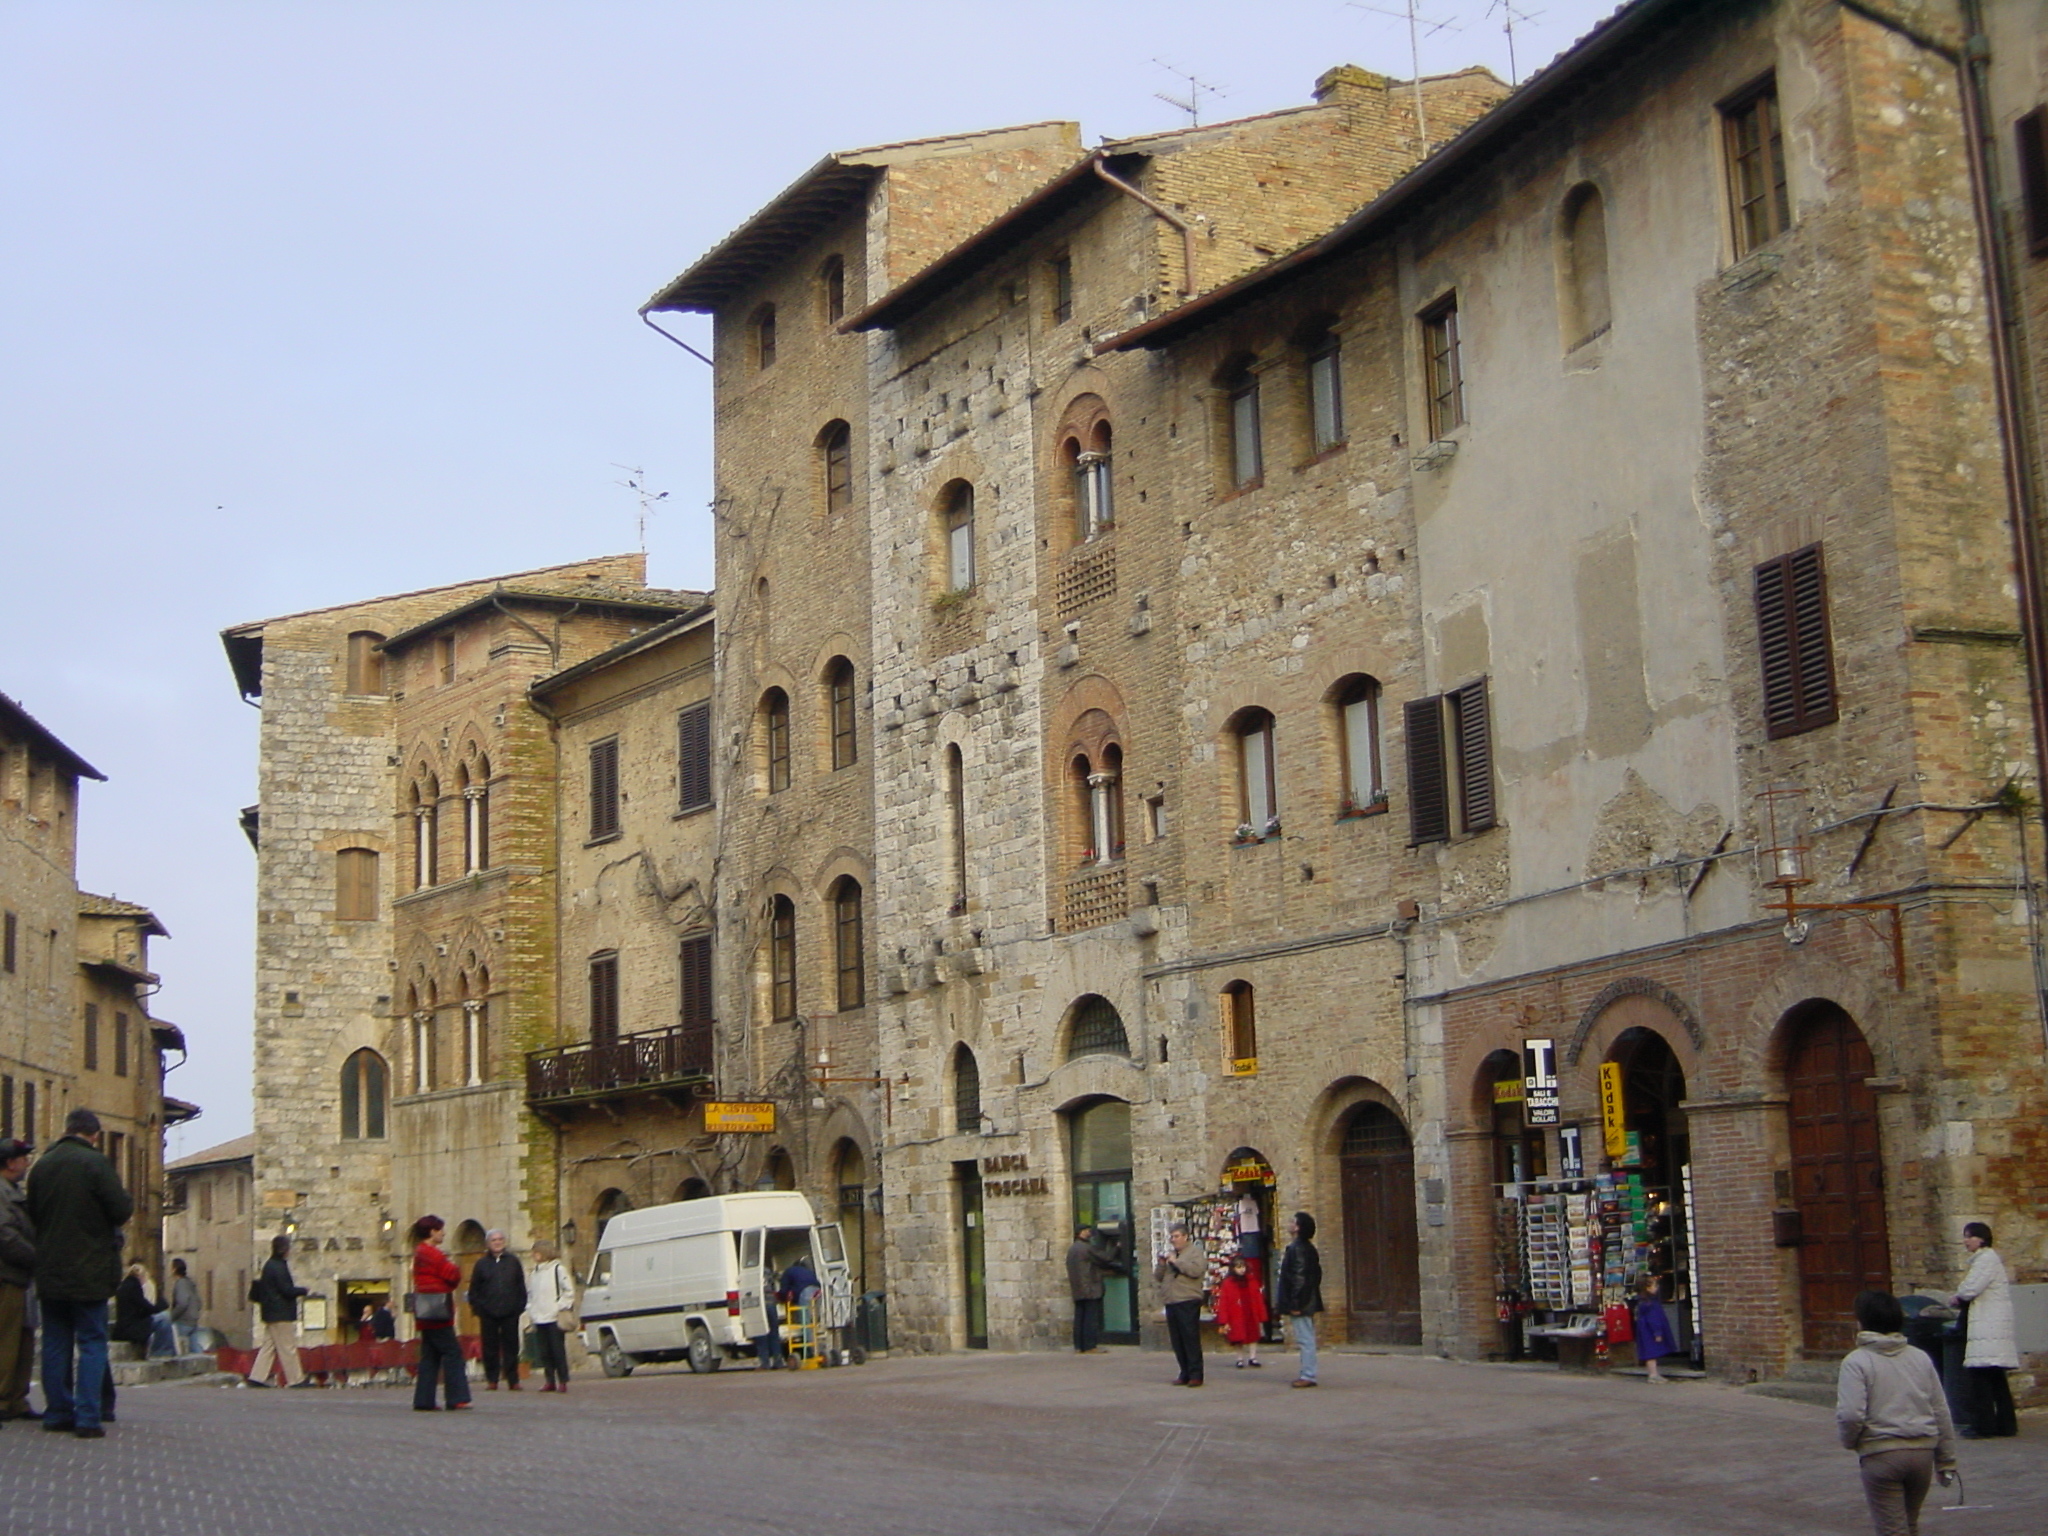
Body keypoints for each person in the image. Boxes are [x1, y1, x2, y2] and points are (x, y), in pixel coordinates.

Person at [25, 1108, 133, 1437]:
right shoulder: (95, 1164)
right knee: (91, 1342)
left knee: (55, 1342)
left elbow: (33, 1214)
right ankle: (87, 1416)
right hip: (90, 1269)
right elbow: (121, 1208)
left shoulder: (41, 1166)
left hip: (50, 1268)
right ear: (94, 1135)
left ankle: (57, 1411)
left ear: (67, 1129)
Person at [1837, 1289, 1958, 1536]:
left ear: (1862, 1321)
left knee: (1891, 1528)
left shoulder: (1856, 1361)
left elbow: (1850, 1414)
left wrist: (1851, 1441)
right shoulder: (1920, 1358)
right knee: (1910, 1524)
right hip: (1921, 1453)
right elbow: (1940, 1409)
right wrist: (1946, 1458)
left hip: (1882, 1454)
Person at [1948, 1222, 2018, 1438]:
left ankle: (1984, 1425)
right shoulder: (1988, 1259)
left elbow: (1971, 1288)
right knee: (1995, 1378)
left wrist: (1957, 1296)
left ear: (1981, 1238)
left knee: (1980, 1379)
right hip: (1991, 1326)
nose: (1965, 1241)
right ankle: (2006, 1425)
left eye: (1969, 1236)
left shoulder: (1985, 1259)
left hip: (1988, 1327)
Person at [410, 1216, 470, 1410]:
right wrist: (452, 1273)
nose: (443, 1233)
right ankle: (456, 1397)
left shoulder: (419, 1253)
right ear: (432, 1232)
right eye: (440, 1230)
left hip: (425, 1311)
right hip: (438, 1310)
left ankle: (424, 1400)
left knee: (430, 1355)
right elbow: (452, 1274)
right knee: (452, 1352)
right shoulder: (432, 1254)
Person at [0, 1137, 38, 1422]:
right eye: (23, 1158)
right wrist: (38, 1258)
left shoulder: (13, 1192)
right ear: (11, 1163)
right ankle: (4, 1400)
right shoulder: (2, 1194)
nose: (27, 1163)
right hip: (8, 1277)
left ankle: (16, 1399)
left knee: (23, 1340)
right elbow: (6, 1236)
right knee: (7, 1340)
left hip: (20, 1277)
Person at [249, 1234, 314, 1387]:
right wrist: (302, 1291)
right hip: (280, 1312)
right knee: (288, 1347)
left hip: (270, 1312)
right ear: (284, 1249)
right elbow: (285, 1289)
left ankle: (257, 1377)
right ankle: (296, 1379)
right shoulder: (278, 1266)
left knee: (269, 1347)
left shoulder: (269, 1265)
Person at [468, 1228, 527, 1391]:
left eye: (500, 1239)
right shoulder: (481, 1264)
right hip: (488, 1313)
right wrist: (479, 1309)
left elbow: (520, 1286)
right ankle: (492, 1379)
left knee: (511, 1346)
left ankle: (512, 1379)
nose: (498, 1242)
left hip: (510, 1312)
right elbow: (474, 1290)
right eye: (494, 1240)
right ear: (488, 1244)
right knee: (490, 1347)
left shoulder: (513, 1261)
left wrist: (519, 1307)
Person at [1153, 1223, 1207, 1388]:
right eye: (1172, 1237)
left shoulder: (1194, 1253)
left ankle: (1196, 1374)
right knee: (1177, 1340)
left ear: (1185, 1237)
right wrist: (1162, 1263)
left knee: (1190, 1338)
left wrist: (1177, 1262)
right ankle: (1184, 1372)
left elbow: (1196, 1271)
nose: (1173, 1240)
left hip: (1187, 1300)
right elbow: (1158, 1277)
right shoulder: (1173, 1254)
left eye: (1176, 1236)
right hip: (1172, 1300)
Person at [1276, 1211, 1323, 1389]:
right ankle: (1308, 1373)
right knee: (1306, 1337)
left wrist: (1296, 1303)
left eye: (1292, 1222)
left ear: (1298, 1228)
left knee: (1305, 1338)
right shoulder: (1307, 1248)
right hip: (1306, 1299)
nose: (1288, 1224)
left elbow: (1299, 1278)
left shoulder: (1297, 1249)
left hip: (1302, 1302)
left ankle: (1308, 1374)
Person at [527, 1239, 575, 1394]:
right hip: (539, 1317)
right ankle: (549, 1380)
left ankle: (563, 1380)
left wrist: (558, 1306)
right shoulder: (534, 1272)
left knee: (557, 1350)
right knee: (544, 1352)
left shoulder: (558, 1269)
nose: (534, 1255)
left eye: (536, 1252)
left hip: (554, 1318)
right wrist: (531, 1310)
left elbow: (569, 1291)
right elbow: (531, 1294)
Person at [1065, 1225, 1121, 1354]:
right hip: (1090, 1287)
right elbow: (1106, 1258)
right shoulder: (1086, 1248)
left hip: (1078, 1288)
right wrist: (1117, 1247)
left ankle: (1079, 1346)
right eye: (1087, 1231)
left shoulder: (1073, 1248)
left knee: (1080, 1317)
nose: (1089, 1233)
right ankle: (1090, 1346)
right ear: (1081, 1232)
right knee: (1090, 1318)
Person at [1214, 1253, 1268, 1368]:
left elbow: (1258, 1298)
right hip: (1236, 1314)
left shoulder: (1252, 1280)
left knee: (1253, 1335)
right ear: (1233, 1269)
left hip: (1250, 1311)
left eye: (1243, 1266)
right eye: (1238, 1267)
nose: (1242, 1269)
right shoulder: (1228, 1283)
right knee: (1238, 1337)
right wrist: (1224, 1319)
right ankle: (1240, 1358)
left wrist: (1261, 1314)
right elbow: (1224, 1301)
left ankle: (1253, 1357)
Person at [111, 1261, 169, 1358]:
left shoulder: (125, 1285)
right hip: (130, 1329)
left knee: (162, 1318)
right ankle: (162, 1352)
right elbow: (144, 1306)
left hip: (124, 1327)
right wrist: (158, 1308)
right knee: (164, 1318)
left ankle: (164, 1351)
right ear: (141, 1276)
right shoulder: (134, 1287)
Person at [1633, 1274, 1678, 1383]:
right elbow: (1653, 1319)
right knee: (1652, 1352)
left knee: (1650, 1352)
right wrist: (1657, 1332)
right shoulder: (1651, 1303)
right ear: (1648, 1288)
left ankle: (1653, 1374)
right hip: (1650, 1331)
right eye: (1654, 1286)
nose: (1657, 1288)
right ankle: (1653, 1374)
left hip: (1644, 1330)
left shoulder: (1642, 1302)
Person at [167, 1258, 202, 1355]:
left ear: (174, 1269)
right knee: (195, 1349)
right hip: (193, 1320)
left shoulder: (181, 1283)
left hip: (183, 1322)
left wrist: (171, 1316)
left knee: (175, 1347)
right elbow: (199, 1302)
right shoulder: (190, 1283)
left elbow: (182, 1303)